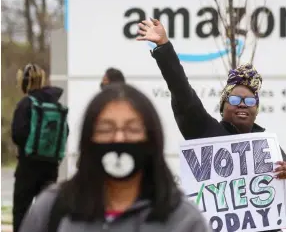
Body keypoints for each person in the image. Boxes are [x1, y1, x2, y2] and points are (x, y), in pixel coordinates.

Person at [136, 19, 286, 220]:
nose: (242, 104)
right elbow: (182, 93)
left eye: (249, 100)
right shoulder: (206, 132)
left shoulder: (269, 147)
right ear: (223, 106)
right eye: (234, 99)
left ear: (256, 109)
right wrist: (164, 48)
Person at [19, 83, 210, 232]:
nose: (119, 138)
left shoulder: (184, 219)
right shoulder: (51, 208)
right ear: (89, 139)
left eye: (132, 129)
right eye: (106, 129)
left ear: (152, 139)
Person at [12, 63, 69, 232]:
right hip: (51, 166)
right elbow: (65, 132)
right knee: (49, 211)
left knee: (21, 211)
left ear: (24, 82)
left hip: (28, 167)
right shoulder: (55, 104)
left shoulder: (25, 103)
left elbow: (18, 135)